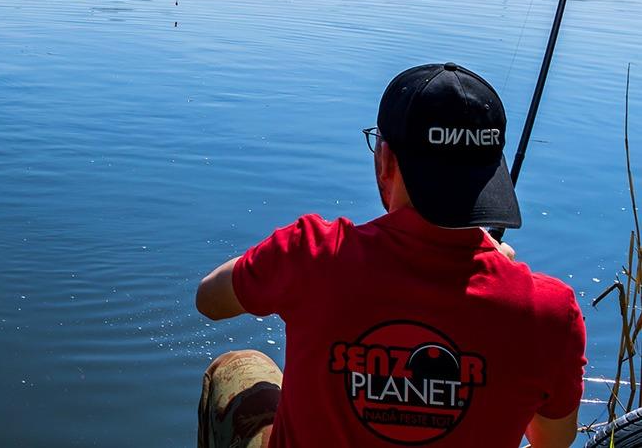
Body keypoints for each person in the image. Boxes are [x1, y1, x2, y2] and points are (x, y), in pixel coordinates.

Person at [194, 62, 586, 448]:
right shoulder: (550, 313)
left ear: (385, 160)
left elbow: (209, 299)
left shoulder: (311, 253)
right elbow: (552, 440)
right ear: (491, 174)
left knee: (237, 366)